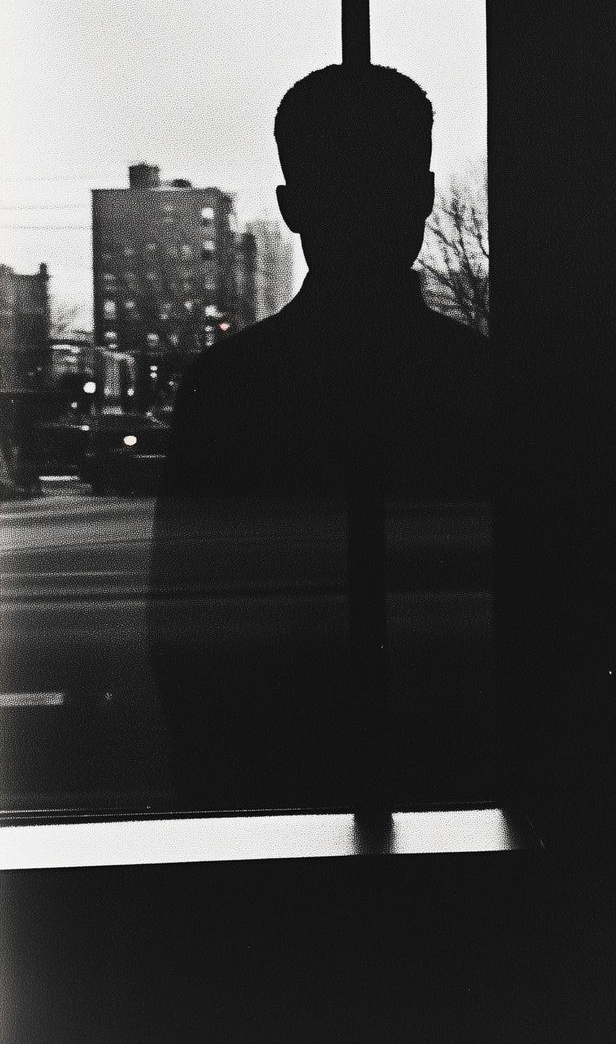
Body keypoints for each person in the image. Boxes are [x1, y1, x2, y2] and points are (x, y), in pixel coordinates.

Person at [147, 65, 489, 810]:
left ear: (292, 207)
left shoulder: (228, 385)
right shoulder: (485, 382)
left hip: (276, 786)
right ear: (425, 197)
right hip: (462, 786)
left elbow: (182, 633)